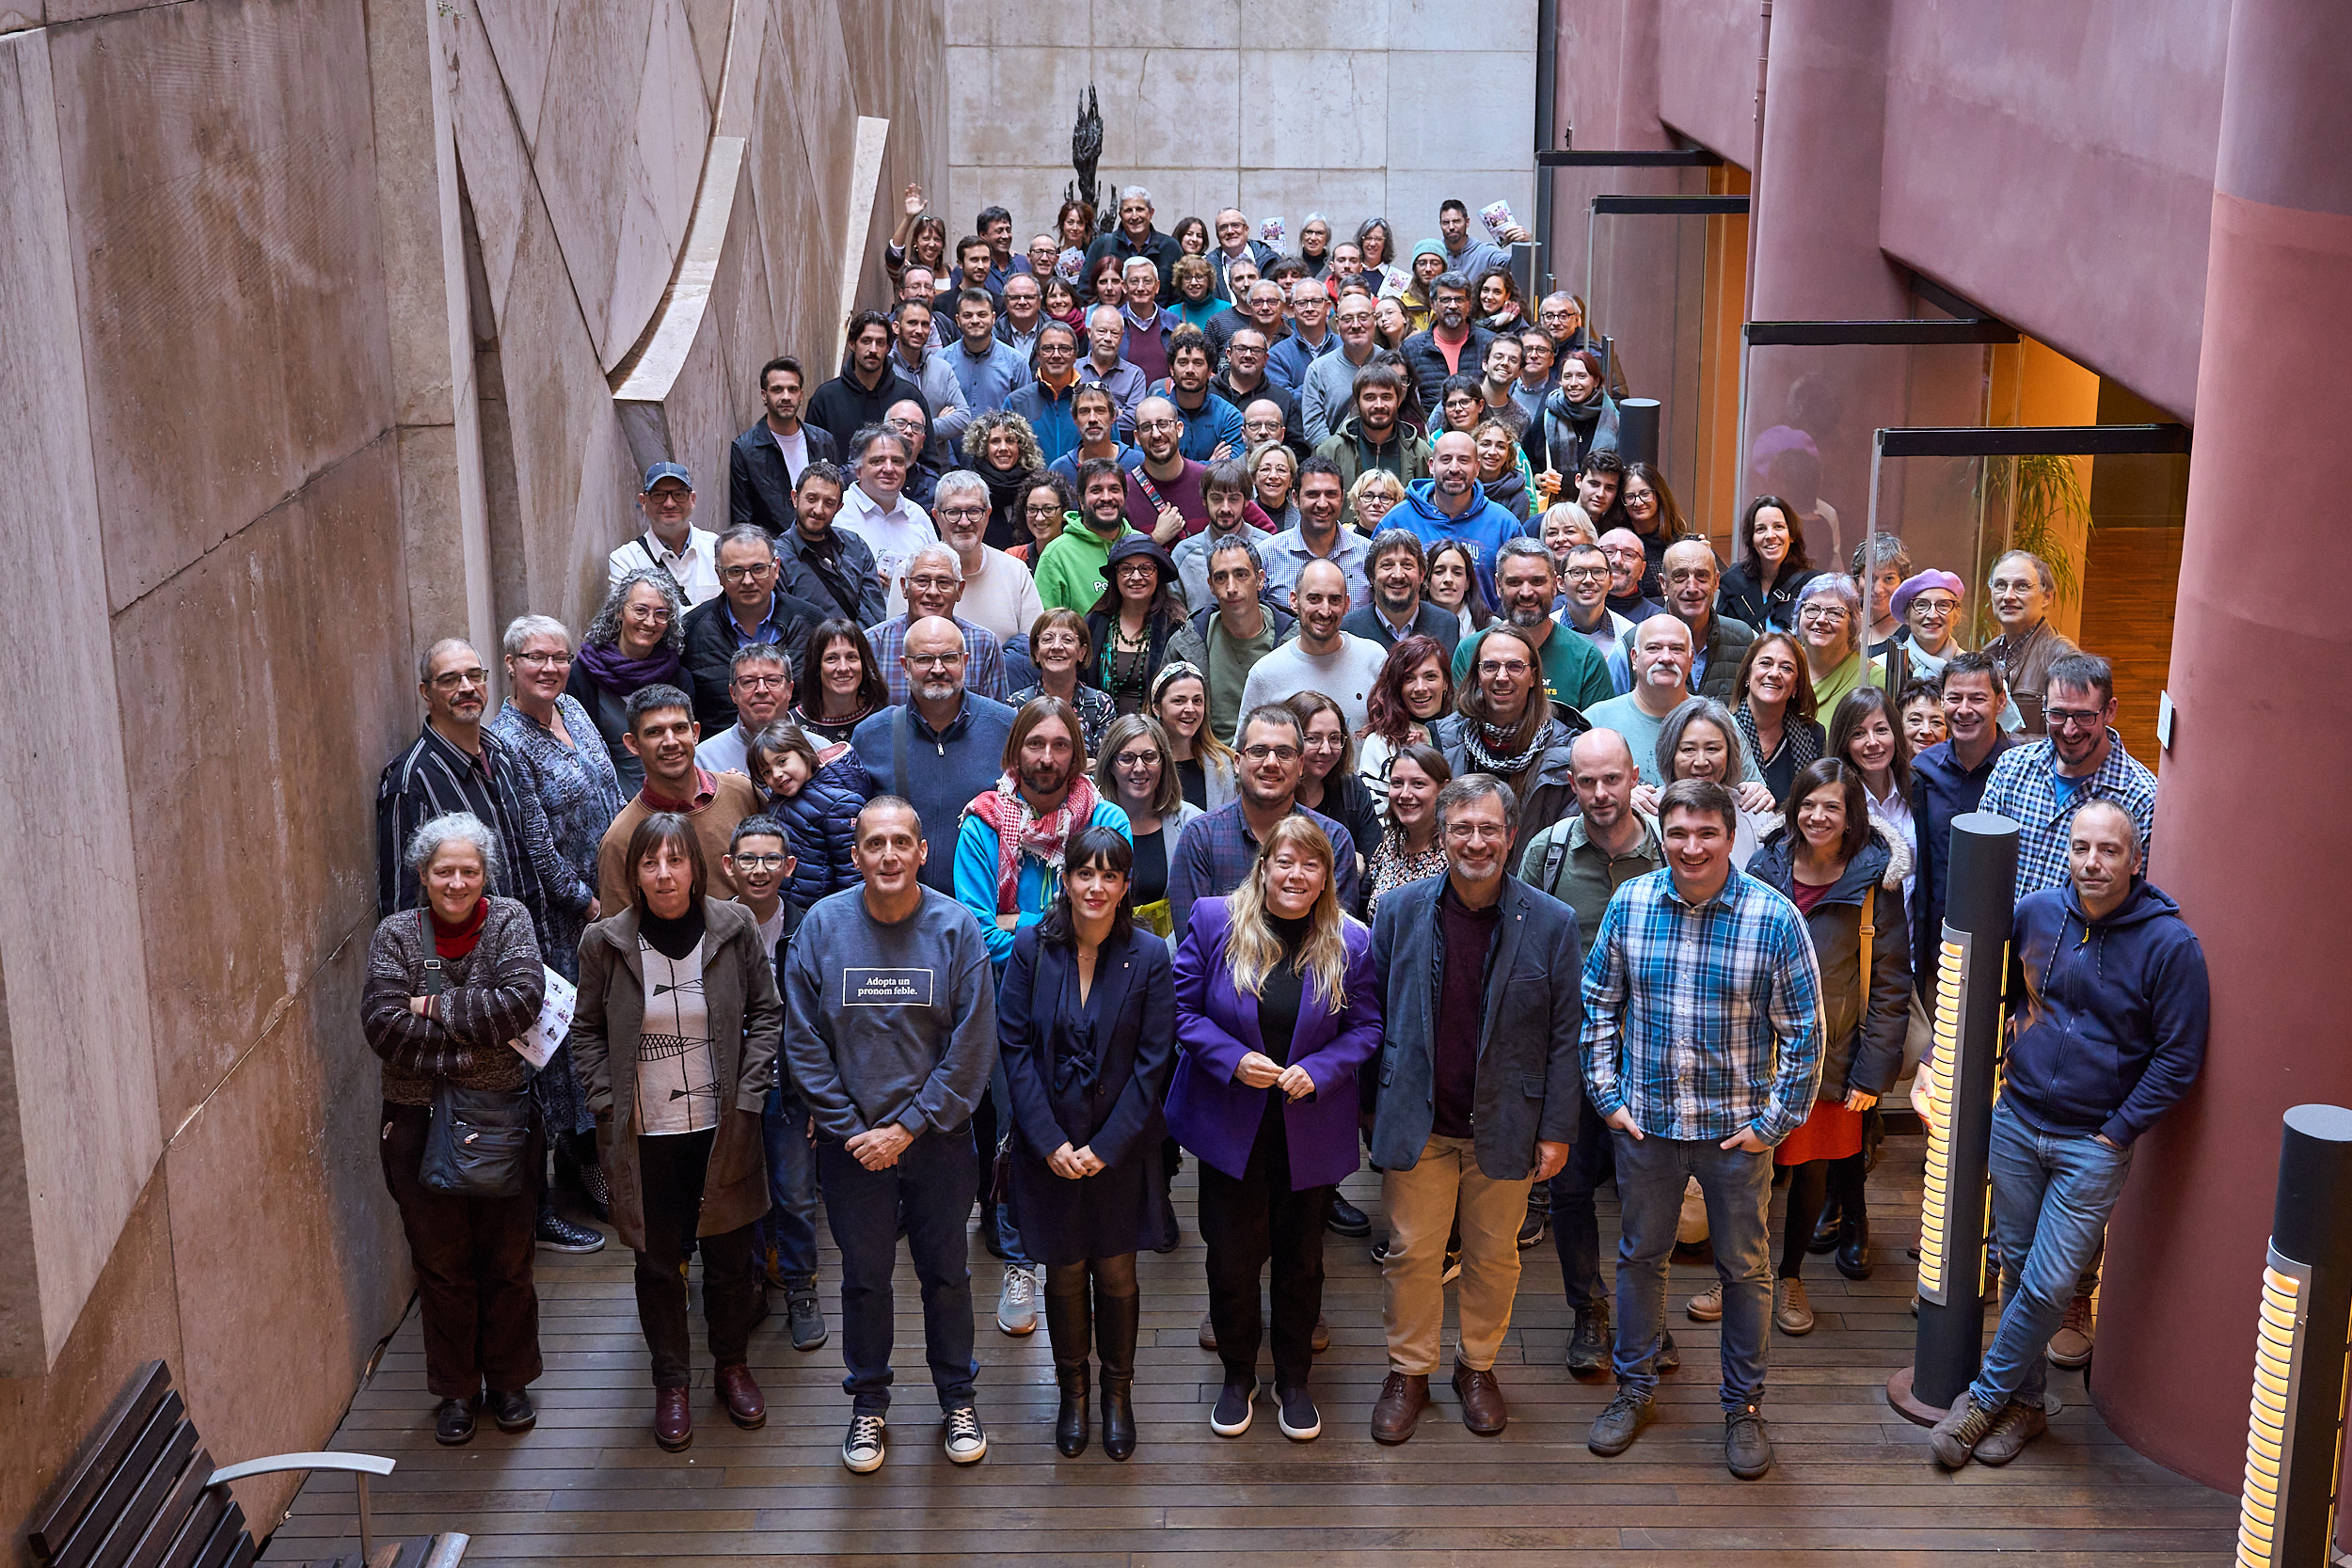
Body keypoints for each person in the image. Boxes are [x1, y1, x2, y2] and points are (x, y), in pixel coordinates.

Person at [1931, 799, 2206, 1470]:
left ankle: (1981, 1402)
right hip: (2019, 1120)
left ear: (2137, 860)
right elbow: (1999, 997)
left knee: (2052, 1283)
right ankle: (2026, 1407)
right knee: (2016, 1265)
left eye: (2109, 850)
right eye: (2082, 847)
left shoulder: (2171, 945)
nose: (2092, 861)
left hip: (2092, 1144)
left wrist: (2117, 1133)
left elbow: (2179, 1057)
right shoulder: (2035, 914)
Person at [1581, 778, 1825, 1480]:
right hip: (1647, 1126)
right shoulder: (1630, 904)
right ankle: (1634, 1389)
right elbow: (1598, 1004)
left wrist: (1772, 1124)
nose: (1691, 847)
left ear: (1729, 836)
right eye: (1680, 833)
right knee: (1638, 1255)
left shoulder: (1774, 919)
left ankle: (1743, 1407)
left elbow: (1807, 1035)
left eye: (1707, 833)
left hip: (1734, 1133)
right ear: (1666, 833)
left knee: (1744, 1269)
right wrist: (1607, 1096)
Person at [782, 798, 1001, 1473]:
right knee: (865, 1278)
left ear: (921, 851)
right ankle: (868, 1404)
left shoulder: (956, 928)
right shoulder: (821, 926)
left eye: (901, 841)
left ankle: (957, 1397)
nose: (888, 855)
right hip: (853, 1148)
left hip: (936, 1140)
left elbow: (971, 1046)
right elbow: (804, 1042)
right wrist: (858, 1132)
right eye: (874, 843)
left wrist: (905, 1128)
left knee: (948, 1275)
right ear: (856, 854)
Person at [1365, 772, 1582, 1443]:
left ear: (1511, 835)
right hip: (1421, 1119)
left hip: (1508, 1124)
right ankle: (1409, 1370)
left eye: (1490, 828)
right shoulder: (1398, 911)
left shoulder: (1552, 921)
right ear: (1443, 832)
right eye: (1462, 827)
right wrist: (1371, 1112)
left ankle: (1476, 1365)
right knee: (1411, 1252)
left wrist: (1555, 1129)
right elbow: (1371, 1014)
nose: (1476, 840)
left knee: (1494, 1258)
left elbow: (1565, 1033)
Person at [571, 813, 781, 1451]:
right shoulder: (605, 943)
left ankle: (731, 1365)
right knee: (658, 1264)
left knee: (728, 1260)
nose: (664, 874)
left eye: (675, 860)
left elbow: (767, 1014)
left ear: (696, 866)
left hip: (725, 1129)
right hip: (644, 1135)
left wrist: (750, 1097)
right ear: (634, 873)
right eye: (650, 863)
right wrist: (606, 1100)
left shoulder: (735, 926)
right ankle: (671, 1381)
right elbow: (584, 1030)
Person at [1168, 815, 1382, 1442]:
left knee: (1301, 1260)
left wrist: (1319, 1069)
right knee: (1232, 1260)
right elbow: (1183, 1010)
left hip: (1307, 1126)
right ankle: (1239, 1375)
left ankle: (1293, 1378)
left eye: (1309, 865)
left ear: (1327, 876)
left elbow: (1366, 1028)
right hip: (1231, 1123)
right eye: (1283, 862)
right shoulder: (1214, 920)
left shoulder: (1352, 941)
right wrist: (1233, 1059)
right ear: (1263, 867)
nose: (1295, 875)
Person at [363, 813, 548, 1447]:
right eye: (445, 869)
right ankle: (457, 1391)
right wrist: (466, 1054)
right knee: (442, 1267)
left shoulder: (511, 921)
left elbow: (522, 1001)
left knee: (508, 1258)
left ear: (484, 873)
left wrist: (433, 1007)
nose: (457, 880)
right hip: (417, 1123)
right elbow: (382, 1024)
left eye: (469, 869)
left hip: (505, 1119)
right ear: (423, 874)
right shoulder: (395, 935)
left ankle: (510, 1381)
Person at [993, 826, 1176, 1461]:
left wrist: (1107, 1145)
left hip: (1119, 1148)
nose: (1096, 886)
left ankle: (1116, 1394)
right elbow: (1012, 1047)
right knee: (1065, 1268)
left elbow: (1155, 1062)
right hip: (1050, 1145)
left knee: (1117, 1270)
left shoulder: (1150, 955)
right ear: (1065, 880)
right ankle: (1072, 1393)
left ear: (1126, 885)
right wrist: (1047, 1142)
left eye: (1110, 875)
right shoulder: (1029, 947)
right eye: (1084, 873)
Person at [1516, 730, 1670, 1376]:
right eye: (1588, 782)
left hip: (1653, 1056)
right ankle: (1590, 1308)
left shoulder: (1671, 851)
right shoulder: (1545, 854)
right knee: (1572, 1190)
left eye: (1613, 779)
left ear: (1635, 776)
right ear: (1570, 785)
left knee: (1648, 1194)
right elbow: (1516, 949)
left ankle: (1647, 1317)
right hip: (1570, 1057)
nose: (1602, 794)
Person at [1742, 759, 1911, 1336]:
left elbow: (1891, 984)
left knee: (1812, 1171)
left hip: (1832, 1053)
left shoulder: (1874, 884)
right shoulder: (1763, 867)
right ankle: (1739, 1274)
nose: (1818, 816)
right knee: (1747, 1168)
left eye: (1831, 807)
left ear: (1850, 816)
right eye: (1808, 803)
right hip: (1756, 1049)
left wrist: (1872, 1072)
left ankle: (1789, 1276)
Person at [955, 694, 1136, 972]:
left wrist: (1019, 922)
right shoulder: (982, 825)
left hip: (1089, 987)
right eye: (1035, 744)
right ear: (1016, 751)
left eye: (1060, 746)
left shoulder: (1107, 821)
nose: (1047, 759)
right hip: (1006, 995)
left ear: (1076, 754)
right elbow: (978, 935)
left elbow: (1105, 925)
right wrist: (1065, 946)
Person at [848, 617, 1019, 896]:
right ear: (905, 666)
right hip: (897, 909)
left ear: (965, 661)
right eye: (925, 659)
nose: (938, 669)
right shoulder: (871, 735)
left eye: (949, 658)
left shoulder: (1006, 727)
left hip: (985, 909)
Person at [1166, 704, 1363, 940]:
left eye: (1284, 753)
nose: (1271, 763)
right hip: (1221, 975)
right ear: (1237, 762)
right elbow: (1193, 941)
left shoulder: (1333, 840)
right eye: (1258, 751)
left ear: (1301, 765)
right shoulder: (1200, 838)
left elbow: (1336, 936)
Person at [1979, 652, 2158, 901]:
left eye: (2084, 716)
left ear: (2110, 711)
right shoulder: (2012, 769)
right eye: (2057, 714)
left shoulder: (2142, 800)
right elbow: (1980, 865)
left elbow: (2140, 903)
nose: (2069, 729)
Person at [595, 685, 763, 911]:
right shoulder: (621, 838)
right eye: (654, 732)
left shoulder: (742, 793)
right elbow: (619, 935)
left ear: (695, 733)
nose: (670, 741)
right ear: (633, 744)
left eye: (679, 728)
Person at [1433, 624, 1581, 862]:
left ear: (1533, 677)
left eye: (1514, 666)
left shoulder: (1569, 751)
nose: (1502, 677)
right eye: (1490, 666)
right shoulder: (1442, 741)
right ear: (1477, 676)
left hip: (1537, 886)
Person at [680, 528, 827, 738]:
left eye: (758, 569)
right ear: (720, 575)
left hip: (799, 751)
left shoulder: (812, 623)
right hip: (718, 757)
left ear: (776, 568)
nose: (748, 581)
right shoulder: (691, 629)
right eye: (736, 571)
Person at [1450, 539, 1614, 713]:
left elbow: (1599, 735)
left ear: (1554, 584)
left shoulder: (1586, 658)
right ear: (1498, 586)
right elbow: (1457, 730)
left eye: (1537, 581)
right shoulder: (1469, 651)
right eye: (1515, 582)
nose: (1526, 592)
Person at [1166, 535, 1297, 744]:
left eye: (1241, 575)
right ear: (1210, 585)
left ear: (1260, 579)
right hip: (1207, 761)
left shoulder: (1292, 641)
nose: (1231, 588)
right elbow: (1166, 717)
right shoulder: (1188, 642)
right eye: (1221, 578)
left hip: (1274, 761)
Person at [1236, 559, 1390, 734]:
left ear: (1347, 604)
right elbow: (1245, 749)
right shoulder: (1266, 674)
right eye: (1314, 599)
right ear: (1294, 601)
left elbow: (1394, 733)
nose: (1325, 611)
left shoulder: (1374, 659)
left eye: (1334, 600)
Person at [1093, 714, 1204, 936]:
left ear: (1164, 763)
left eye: (1149, 757)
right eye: (1127, 758)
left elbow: (1199, 908)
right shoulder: (1090, 819)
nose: (1139, 767)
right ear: (1110, 765)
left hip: (1173, 957)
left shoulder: (1193, 823)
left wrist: (1161, 959)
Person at [866, 542, 1011, 705]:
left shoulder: (984, 644)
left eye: (944, 583)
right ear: (904, 587)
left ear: (960, 590)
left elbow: (996, 720)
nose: (933, 592)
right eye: (922, 581)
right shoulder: (873, 643)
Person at [1397, 433, 1522, 607]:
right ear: (1432, 466)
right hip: (1412, 632)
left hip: (1487, 631)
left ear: (1477, 467)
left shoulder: (1504, 524)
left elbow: (1522, 585)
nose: (1454, 468)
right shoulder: (1398, 521)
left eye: (1463, 460)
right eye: (1446, 460)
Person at [928, 467, 1044, 643]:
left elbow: (1034, 649)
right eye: (953, 512)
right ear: (936, 516)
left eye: (974, 511)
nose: (964, 522)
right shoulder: (912, 575)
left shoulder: (1016, 572)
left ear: (987, 514)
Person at [732, 357, 840, 538]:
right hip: (774, 551)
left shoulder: (823, 441)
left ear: (801, 394)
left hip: (823, 544)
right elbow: (743, 520)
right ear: (764, 395)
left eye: (793, 389)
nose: (786, 397)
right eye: (777, 390)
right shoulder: (745, 449)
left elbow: (836, 498)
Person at [1585, 617, 1699, 784]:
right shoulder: (1595, 720)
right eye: (1654, 648)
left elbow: (1744, 790)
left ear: (1691, 660)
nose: (1666, 658)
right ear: (1634, 658)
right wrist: (1620, 795)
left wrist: (1751, 790)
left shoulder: (1714, 720)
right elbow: (1572, 795)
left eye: (1676, 649)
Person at [1830, 685, 1916, 901]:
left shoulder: (1918, 788)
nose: (1872, 742)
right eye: (1858, 734)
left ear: (1895, 733)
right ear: (1845, 743)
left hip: (1912, 930)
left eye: (1881, 730)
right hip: (1856, 930)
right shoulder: (1834, 799)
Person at [1981, 549, 2082, 736]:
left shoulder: (2063, 656)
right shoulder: (1988, 654)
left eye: (2022, 586)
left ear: (2046, 597)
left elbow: (2072, 737)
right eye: (2000, 585)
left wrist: (1999, 745)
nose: (2008, 596)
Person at [779, 461, 889, 629]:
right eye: (811, 499)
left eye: (829, 503)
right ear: (795, 498)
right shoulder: (776, 556)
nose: (818, 509)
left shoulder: (856, 547)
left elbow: (874, 613)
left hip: (858, 650)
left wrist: (850, 648)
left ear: (838, 508)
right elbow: (785, 624)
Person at [1085, 535, 1187, 714]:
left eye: (1146, 569)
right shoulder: (1094, 624)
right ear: (1115, 576)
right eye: (1126, 569)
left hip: (1160, 735)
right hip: (1103, 735)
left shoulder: (1175, 626)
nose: (1136, 577)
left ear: (1159, 574)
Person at [1287, 689, 1380, 879]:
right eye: (1313, 738)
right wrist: (1347, 867)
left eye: (1334, 738)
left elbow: (1376, 866)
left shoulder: (1352, 790)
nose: (1326, 749)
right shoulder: (1274, 792)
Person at [1357, 632, 1454, 809]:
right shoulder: (1381, 744)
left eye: (1430, 677)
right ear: (1397, 686)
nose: (1420, 688)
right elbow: (1378, 818)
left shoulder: (1463, 735)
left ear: (1446, 682)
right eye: (1409, 679)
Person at [809, 310, 929, 454]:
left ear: (888, 348)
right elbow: (812, 458)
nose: (873, 349)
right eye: (866, 341)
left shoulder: (909, 396)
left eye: (880, 343)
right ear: (852, 344)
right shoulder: (825, 398)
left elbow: (928, 458)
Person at [1261, 457, 1373, 610]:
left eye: (1331, 494)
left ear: (1341, 498)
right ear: (1295, 498)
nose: (1322, 504)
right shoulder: (1267, 555)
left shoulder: (1368, 555)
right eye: (1312, 494)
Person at [836, 425, 937, 593]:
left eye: (897, 461)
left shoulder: (918, 516)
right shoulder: (837, 513)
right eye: (878, 461)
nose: (889, 469)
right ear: (858, 470)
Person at [1036, 459, 1139, 614]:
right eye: (1096, 490)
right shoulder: (1056, 555)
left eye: (1114, 489)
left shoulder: (1142, 545)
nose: (1106, 497)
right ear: (1081, 502)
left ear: (1124, 497)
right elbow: (1045, 627)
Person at [1730, 631, 1822, 804]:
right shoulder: (1723, 731)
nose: (1774, 673)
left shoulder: (1814, 736)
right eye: (1765, 663)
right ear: (1747, 676)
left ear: (1796, 686)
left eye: (1786, 668)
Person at [1314, 362, 1430, 499]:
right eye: (1370, 398)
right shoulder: (1330, 451)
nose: (1379, 405)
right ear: (1357, 402)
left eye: (1386, 397)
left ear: (1399, 401)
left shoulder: (1421, 453)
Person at [1011, 607, 1117, 758]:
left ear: (1082, 652)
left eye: (1067, 640)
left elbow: (1104, 769)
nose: (1056, 647)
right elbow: (1014, 764)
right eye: (1047, 639)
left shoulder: (1100, 704)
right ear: (1036, 652)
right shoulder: (1018, 704)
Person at [1361, 743, 1452, 914]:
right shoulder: (1388, 848)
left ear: (1443, 789)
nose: (1405, 794)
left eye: (1418, 784)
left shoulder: (1455, 854)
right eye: (1397, 783)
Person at [1344, 528, 1460, 657]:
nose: (1398, 575)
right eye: (1387, 565)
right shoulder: (1349, 630)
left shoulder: (1446, 625)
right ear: (1371, 576)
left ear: (1422, 574)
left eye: (1407, 565)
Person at [1717, 496, 1819, 634]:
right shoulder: (1733, 583)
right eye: (1761, 529)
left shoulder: (1813, 585)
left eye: (1778, 527)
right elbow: (1722, 638)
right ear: (1751, 539)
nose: (1770, 535)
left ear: (1792, 535)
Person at [1791, 573, 1887, 717]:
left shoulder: (1873, 679)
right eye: (1812, 609)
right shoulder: (1781, 665)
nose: (1821, 619)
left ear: (1853, 623)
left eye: (1834, 613)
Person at [1300, 293, 1386, 445]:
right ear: (1338, 325)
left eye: (1363, 317)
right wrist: (1337, 457)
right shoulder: (1318, 370)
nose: (1356, 325)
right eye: (1347, 319)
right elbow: (1314, 429)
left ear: (1375, 320)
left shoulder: (1391, 364)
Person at [789, 619, 890, 748]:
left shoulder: (884, 720)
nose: (843, 668)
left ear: (864, 663)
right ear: (816, 666)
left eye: (851, 657)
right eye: (831, 658)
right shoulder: (793, 724)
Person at [1152, 661, 1238, 811]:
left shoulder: (1221, 764)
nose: (1190, 709)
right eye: (1179, 701)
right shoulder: (1144, 763)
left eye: (1197, 701)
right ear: (1157, 708)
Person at [1153, 330, 1243, 463]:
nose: (1190, 370)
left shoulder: (1228, 416)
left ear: (1209, 371)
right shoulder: (1154, 415)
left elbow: (1231, 469)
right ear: (1172, 369)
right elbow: (1149, 466)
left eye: (1198, 363)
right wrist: (1210, 464)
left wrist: (1173, 465)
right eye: (1183, 363)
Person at [1004, 322, 1086, 465]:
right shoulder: (1016, 403)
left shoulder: (1093, 401)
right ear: (1038, 355)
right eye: (1048, 348)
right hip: (1032, 485)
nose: (1056, 355)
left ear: (1075, 355)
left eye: (1064, 349)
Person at [1212, 330, 1304, 457]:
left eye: (1256, 350)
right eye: (1241, 349)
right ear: (1228, 354)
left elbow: (1298, 450)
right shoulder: (1208, 394)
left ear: (1266, 358)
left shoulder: (1282, 399)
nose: (1248, 355)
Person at [1041, 380, 1141, 494]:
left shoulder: (1137, 463)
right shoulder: (1060, 470)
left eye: (1100, 410)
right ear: (1074, 418)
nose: (1092, 419)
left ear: (1113, 416)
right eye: (1084, 411)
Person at [1084, 185, 1182, 297]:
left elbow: (1179, 296)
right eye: (1128, 210)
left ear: (1151, 213)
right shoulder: (1102, 246)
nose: (1134, 216)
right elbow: (1085, 291)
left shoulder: (1170, 248)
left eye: (1140, 209)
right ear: (1120, 215)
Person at [946, 288, 1031, 417]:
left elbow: (1025, 416)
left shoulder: (1016, 363)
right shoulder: (942, 361)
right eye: (968, 315)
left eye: (982, 315)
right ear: (958, 320)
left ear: (993, 318)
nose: (975, 321)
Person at [1557, 541, 1635, 676]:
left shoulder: (1629, 636)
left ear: (1611, 581)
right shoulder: (1544, 632)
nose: (1588, 580)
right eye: (1577, 572)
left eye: (1598, 572)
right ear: (1560, 583)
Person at [1077, 304, 1149, 433]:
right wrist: (1117, 411)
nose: (1108, 338)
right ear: (1089, 333)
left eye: (1114, 333)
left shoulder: (1134, 376)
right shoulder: (1073, 371)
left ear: (1121, 337)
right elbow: (1067, 415)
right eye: (1102, 331)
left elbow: (1134, 421)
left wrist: (1085, 413)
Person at [1890, 568, 1968, 686]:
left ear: (1956, 614)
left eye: (1943, 605)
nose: (1933, 615)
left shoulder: (1973, 672)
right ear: (1907, 615)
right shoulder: (1882, 667)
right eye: (1921, 605)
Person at [1267, 271, 1337, 391]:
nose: (1309, 309)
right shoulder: (1277, 356)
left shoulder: (1345, 348)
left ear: (1327, 307)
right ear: (1293, 310)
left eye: (1316, 302)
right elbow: (1284, 402)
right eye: (1302, 303)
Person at [1424, 536, 1495, 641]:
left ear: (1468, 582)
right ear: (1426, 580)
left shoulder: (1491, 626)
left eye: (1457, 573)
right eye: (1439, 572)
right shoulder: (1410, 623)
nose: (1448, 579)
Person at [1598, 527, 1663, 626]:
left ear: (1642, 569)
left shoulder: (1655, 619)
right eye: (1609, 552)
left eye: (1629, 554)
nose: (1617, 560)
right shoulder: (1569, 607)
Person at [1012, 471, 1076, 568]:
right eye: (1032, 509)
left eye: (1048, 509)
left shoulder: (1077, 557)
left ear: (1064, 511)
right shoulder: (1014, 557)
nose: (1039, 518)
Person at [1350, 467, 1409, 537]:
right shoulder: (1341, 540)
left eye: (1385, 497)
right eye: (1368, 496)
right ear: (1356, 502)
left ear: (1396, 503)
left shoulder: (1406, 543)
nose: (1376, 503)